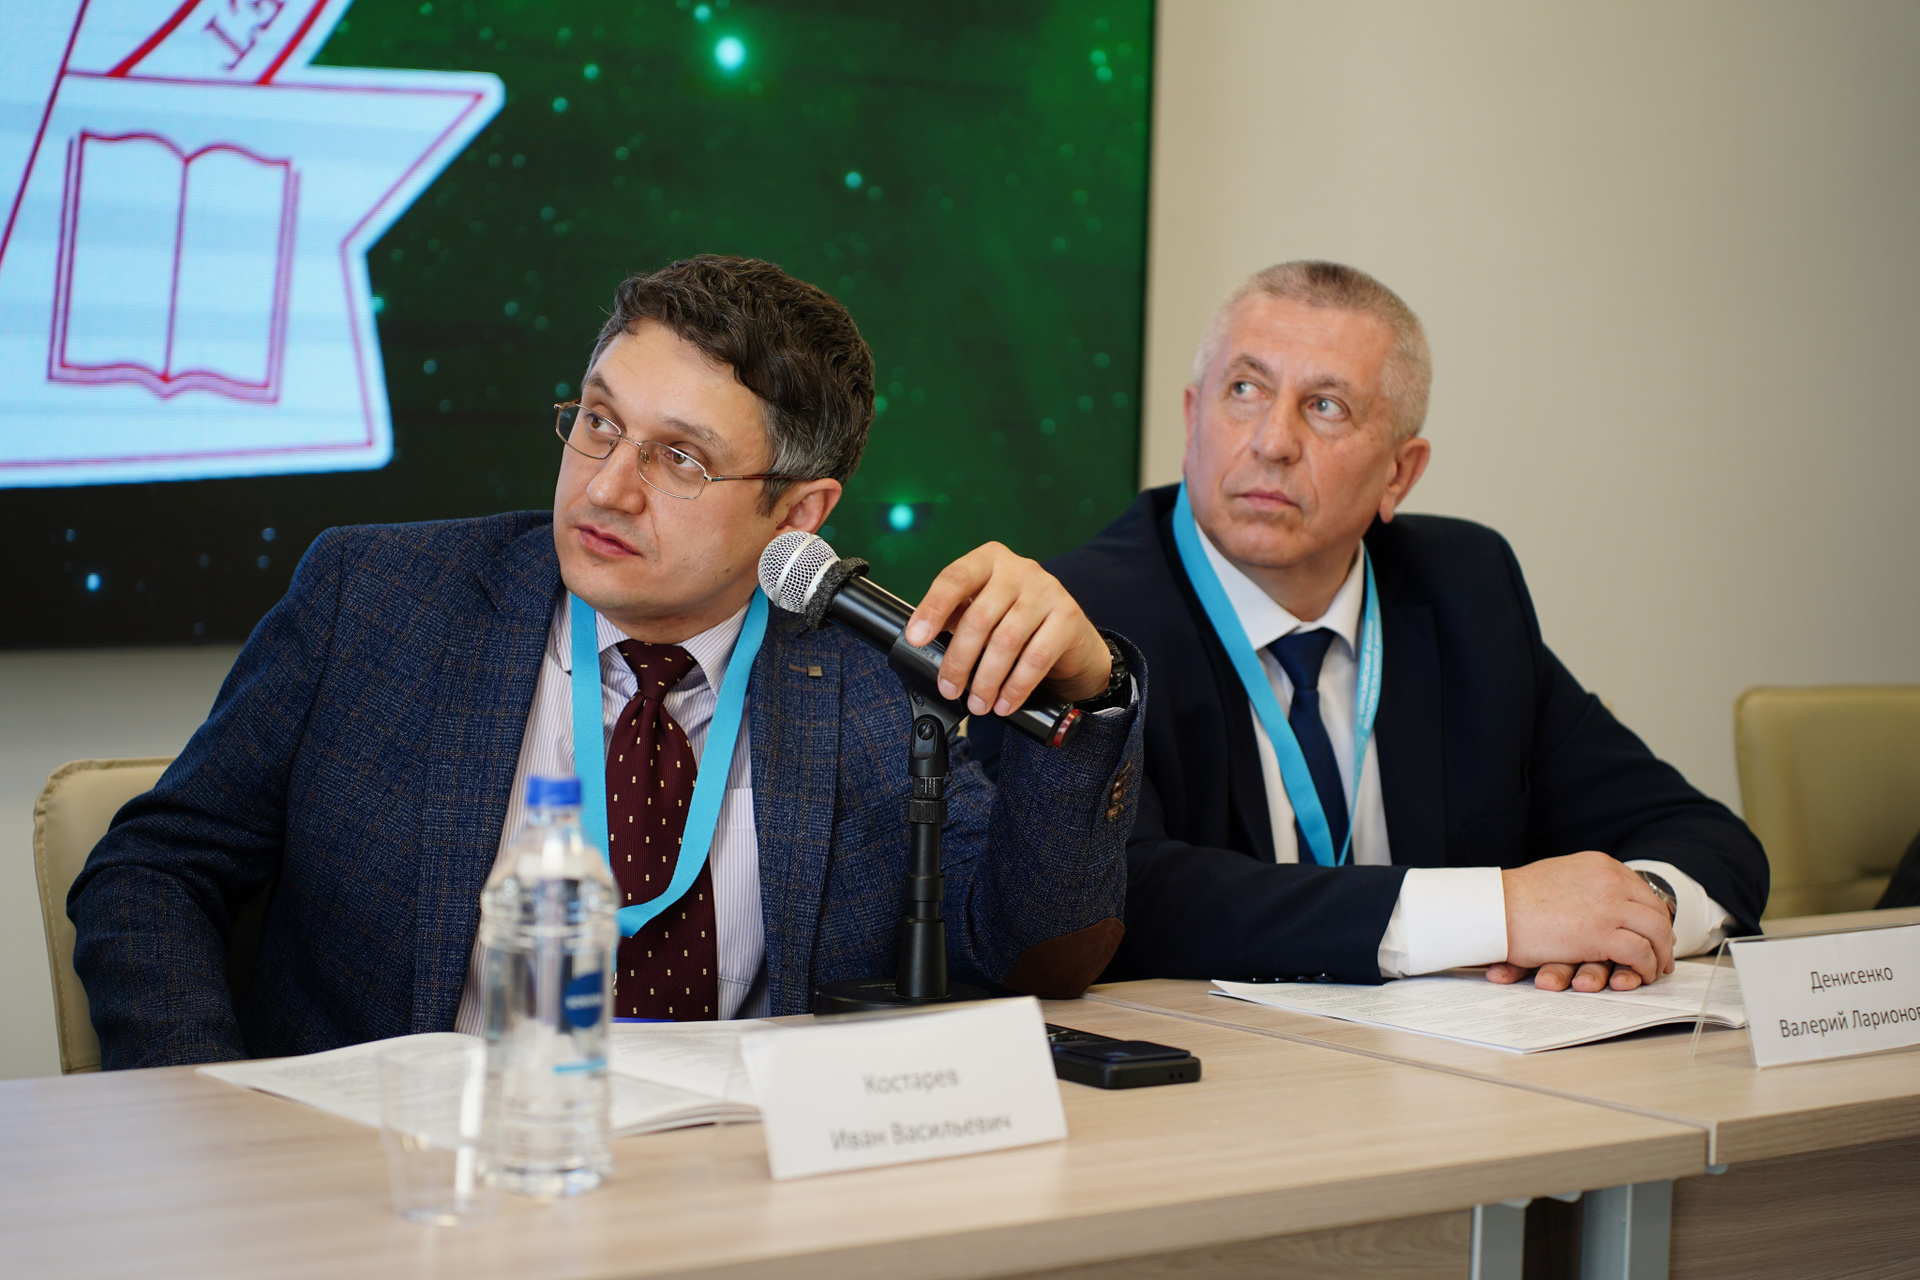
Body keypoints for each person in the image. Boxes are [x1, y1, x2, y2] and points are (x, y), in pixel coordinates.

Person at [69, 255, 1144, 1069]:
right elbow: (154, 869)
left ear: (800, 514)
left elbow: (1030, 950)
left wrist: (1087, 692)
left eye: (680, 457)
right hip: (406, 1191)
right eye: (597, 422)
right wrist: (214, 1109)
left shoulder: (865, 673)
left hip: (744, 1211)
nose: (605, 487)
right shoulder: (378, 601)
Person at [977, 260, 1766, 991]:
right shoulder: (1084, 622)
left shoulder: (1465, 590)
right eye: (1245, 390)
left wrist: (1634, 913)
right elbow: (1115, 899)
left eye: (1325, 407)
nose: (1272, 443)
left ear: (1399, 472)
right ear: (1192, 420)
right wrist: (1496, 915)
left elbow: (1704, 835)